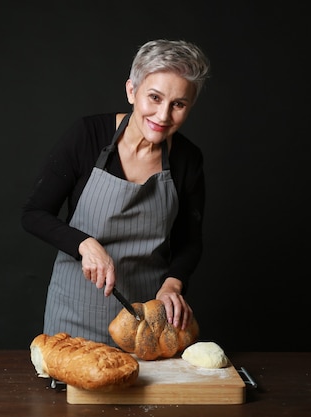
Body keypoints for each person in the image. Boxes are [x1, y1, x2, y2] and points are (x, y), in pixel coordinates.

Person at [21, 39, 210, 346]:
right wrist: (84, 243)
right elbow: (33, 214)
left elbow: (190, 241)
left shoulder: (187, 159)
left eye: (178, 104)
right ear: (132, 91)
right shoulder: (87, 136)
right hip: (74, 315)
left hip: (147, 328)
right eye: (154, 97)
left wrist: (173, 286)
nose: (163, 116)